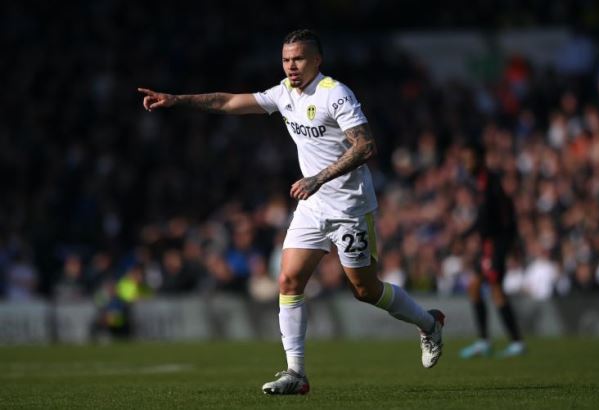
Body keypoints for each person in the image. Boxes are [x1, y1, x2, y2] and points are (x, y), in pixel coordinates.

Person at [138, 29, 445, 395]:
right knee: (288, 280)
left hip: (349, 207)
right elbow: (229, 102)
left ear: (317, 60)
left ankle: (429, 324)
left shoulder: (335, 93)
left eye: (298, 58)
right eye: (286, 59)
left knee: (365, 289)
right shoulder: (283, 93)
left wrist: (318, 178)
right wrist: (177, 99)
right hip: (312, 207)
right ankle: (296, 373)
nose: (291, 66)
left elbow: (366, 146)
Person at [458, 142, 525, 358]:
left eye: (468, 160)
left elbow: (505, 214)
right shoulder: (480, 183)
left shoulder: (491, 182)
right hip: (489, 243)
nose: (466, 164)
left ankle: (516, 342)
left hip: (496, 243)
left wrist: (509, 244)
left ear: (479, 159)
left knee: (496, 289)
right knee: (474, 287)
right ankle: (484, 341)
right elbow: (484, 217)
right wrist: (467, 234)